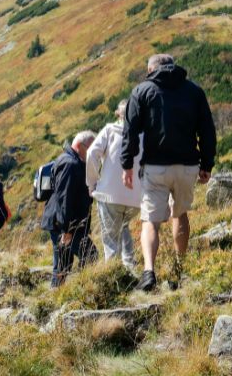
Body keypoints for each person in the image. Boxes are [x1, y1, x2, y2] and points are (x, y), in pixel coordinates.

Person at [121, 54, 217, 291]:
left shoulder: (142, 91)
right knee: (180, 214)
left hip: (156, 166)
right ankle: (179, 269)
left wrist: (126, 165)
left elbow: (130, 131)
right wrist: (207, 164)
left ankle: (149, 272)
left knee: (151, 221)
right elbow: (207, 130)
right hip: (187, 166)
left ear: (152, 69)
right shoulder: (194, 91)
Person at [86, 99, 143, 269]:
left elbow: (91, 153)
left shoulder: (110, 130)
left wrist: (92, 182)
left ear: (118, 114)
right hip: (136, 197)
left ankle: (114, 275)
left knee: (111, 240)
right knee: (123, 227)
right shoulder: (144, 134)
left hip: (110, 195)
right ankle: (129, 265)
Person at [41, 131, 99, 287]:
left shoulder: (75, 162)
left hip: (67, 224)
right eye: (92, 148)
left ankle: (60, 293)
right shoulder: (69, 164)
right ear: (80, 146)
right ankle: (83, 288)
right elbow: (64, 198)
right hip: (65, 225)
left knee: (63, 263)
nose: (95, 152)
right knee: (89, 255)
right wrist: (66, 230)